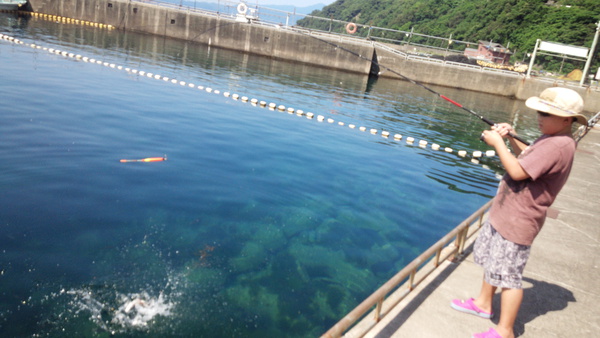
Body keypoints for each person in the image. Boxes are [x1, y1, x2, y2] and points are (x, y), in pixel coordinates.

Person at [449, 87, 589, 338]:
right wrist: (512, 136)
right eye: (539, 112)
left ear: (567, 119)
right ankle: (483, 304)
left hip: (519, 220)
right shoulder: (551, 139)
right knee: (494, 262)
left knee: (509, 277)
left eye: (546, 114)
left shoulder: (558, 145)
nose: (540, 117)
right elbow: (527, 157)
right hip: (507, 213)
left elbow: (518, 172)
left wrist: (498, 143)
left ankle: (505, 331)